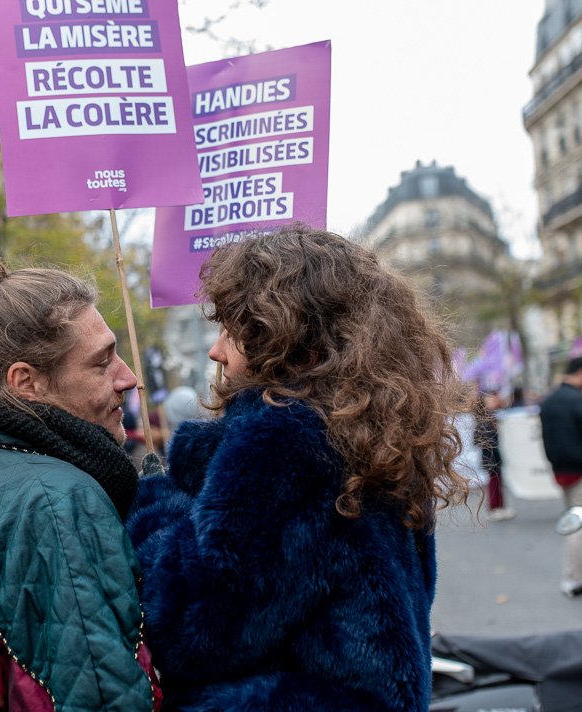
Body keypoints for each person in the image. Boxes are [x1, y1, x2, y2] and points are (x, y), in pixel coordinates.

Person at [125, 225, 468, 712]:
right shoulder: (374, 435)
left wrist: (154, 499)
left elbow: (190, 631)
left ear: (285, 342)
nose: (216, 351)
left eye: (233, 332)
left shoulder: (285, 440)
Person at [0, 251, 161, 711]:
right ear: (26, 382)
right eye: (102, 363)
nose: (128, 378)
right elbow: (100, 694)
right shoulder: (57, 499)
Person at [539, 356, 582, 597]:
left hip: (561, 470)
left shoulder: (548, 400)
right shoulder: (580, 400)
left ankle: (573, 576)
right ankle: (576, 580)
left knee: (573, 523)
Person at [475, 390, 514, 521]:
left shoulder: (494, 416)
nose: (494, 401)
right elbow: (479, 440)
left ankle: (500, 507)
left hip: (494, 456)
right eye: (491, 399)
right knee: (493, 482)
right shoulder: (483, 419)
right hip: (490, 457)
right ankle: (495, 508)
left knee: (498, 482)